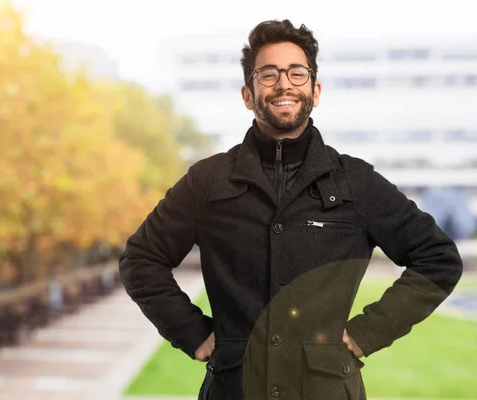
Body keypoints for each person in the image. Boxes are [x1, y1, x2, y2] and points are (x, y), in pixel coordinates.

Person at [118, 19, 463, 400]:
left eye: (297, 73)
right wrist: (192, 332)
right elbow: (141, 259)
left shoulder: (355, 182)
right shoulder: (208, 181)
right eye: (268, 74)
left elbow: (438, 258)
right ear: (248, 94)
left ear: (314, 90)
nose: (284, 84)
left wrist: (368, 332)